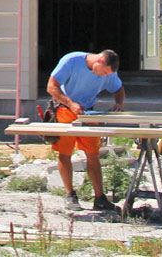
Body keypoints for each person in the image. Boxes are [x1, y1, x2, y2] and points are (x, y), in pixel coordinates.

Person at [45, 48, 126, 211]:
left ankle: (99, 198)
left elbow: (119, 89)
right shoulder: (71, 61)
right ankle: (70, 195)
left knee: (93, 154)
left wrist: (119, 103)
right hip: (65, 109)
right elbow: (51, 86)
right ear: (100, 61)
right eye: (103, 72)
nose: (104, 76)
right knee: (65, 152)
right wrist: (70, 103)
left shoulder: (108, 73)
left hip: (88, 113)